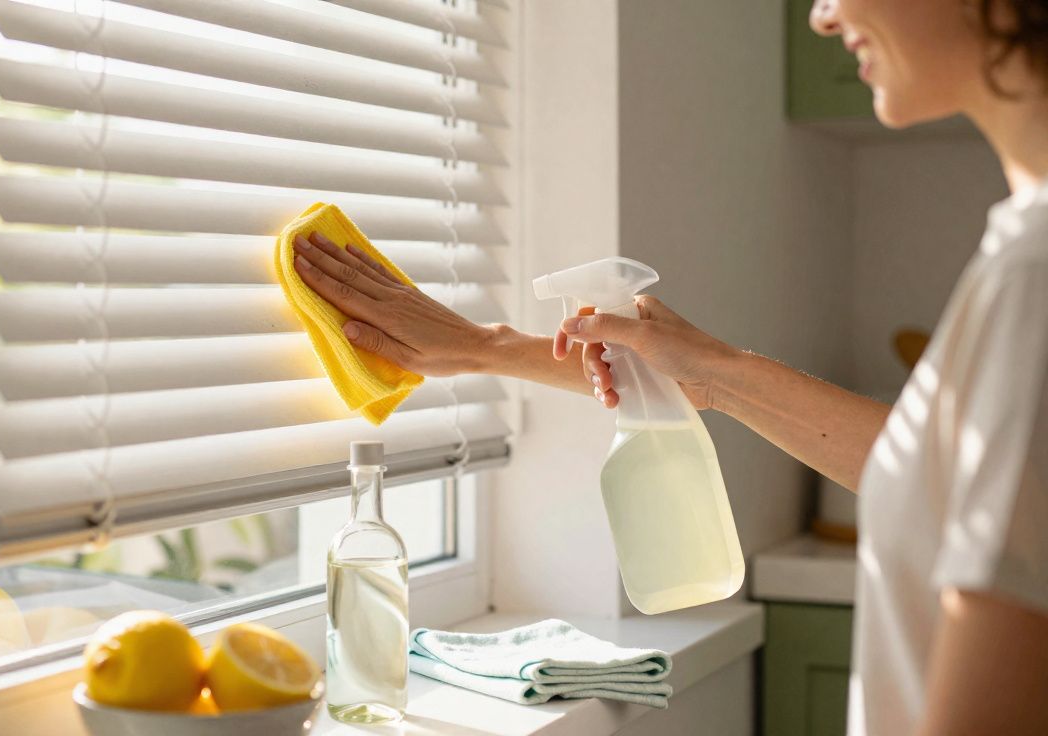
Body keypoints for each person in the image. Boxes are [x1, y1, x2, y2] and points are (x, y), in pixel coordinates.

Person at [290, 0, 1048, 733]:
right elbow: (921, 472)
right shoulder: (1025, 256)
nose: (823, 14)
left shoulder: (1032, 277)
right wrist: (490, 349)